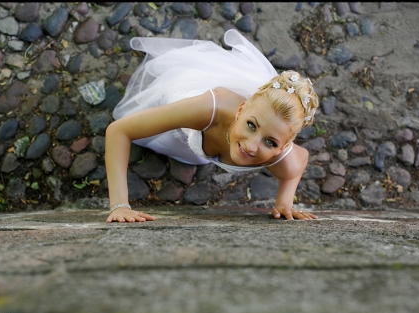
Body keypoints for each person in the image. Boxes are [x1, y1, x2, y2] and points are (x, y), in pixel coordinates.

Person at [104, 29, 319, 223]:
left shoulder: (284, 159)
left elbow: (299, 162)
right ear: (241, 110)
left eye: (270, 142)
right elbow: (119, 130)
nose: (252, 146)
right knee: (154, 133)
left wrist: (284, 203)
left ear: (282, 148)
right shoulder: (207, 109)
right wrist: (120, 205)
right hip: (188, 105)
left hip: (209, 132)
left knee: (192, 156)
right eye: (251, 125)